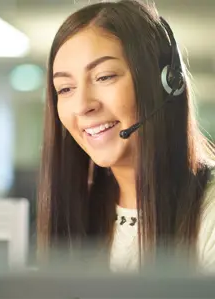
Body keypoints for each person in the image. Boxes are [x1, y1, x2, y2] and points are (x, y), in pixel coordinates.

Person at [37, 0, 215, 273]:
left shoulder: (209, 211)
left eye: (104, 77)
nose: (83, 105)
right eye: (65, 89)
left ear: (166, 84)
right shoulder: (78, 210)